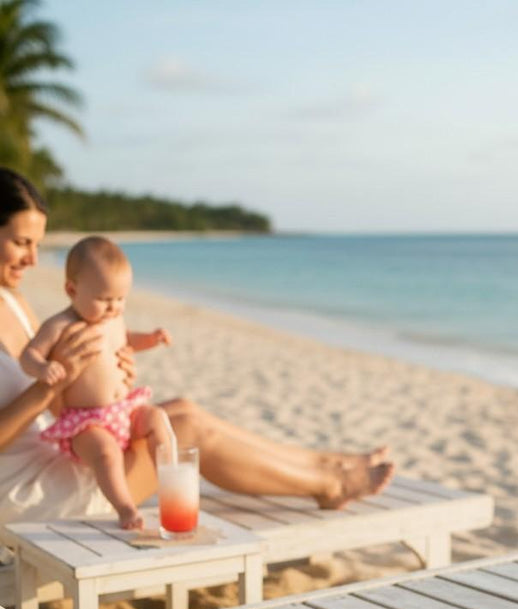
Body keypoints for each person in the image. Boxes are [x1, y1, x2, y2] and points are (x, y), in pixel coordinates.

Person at [0, 168, 394, 528]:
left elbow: (57, 404)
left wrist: (104, 373)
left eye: (38, 244)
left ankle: (329, 464)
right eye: (21, 243)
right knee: (185, 429)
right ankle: (329, 483)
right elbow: (44, 392)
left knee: (183, 409)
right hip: (25, 494)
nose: (33, 259)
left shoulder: (15, 303)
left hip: (57, 454)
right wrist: (51, 385)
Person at [22, 235, 173, 529]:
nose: (113, 307)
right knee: (106, 454)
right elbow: (29, 354)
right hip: (85, 423)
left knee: (157, 417)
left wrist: (151, 339)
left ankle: (170, 481)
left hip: (123, 410)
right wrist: (43, 367)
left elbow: (128, 339)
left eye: (120, 299)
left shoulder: (114, 318)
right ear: (71, 289)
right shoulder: (60, 325)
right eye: (104, 299)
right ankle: (125, 507)